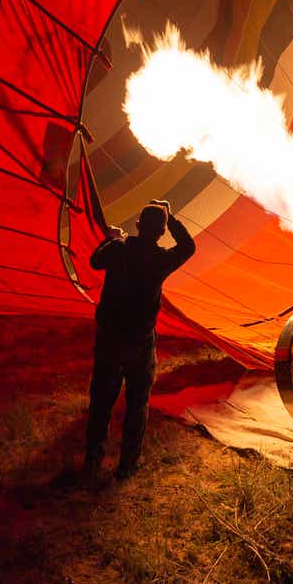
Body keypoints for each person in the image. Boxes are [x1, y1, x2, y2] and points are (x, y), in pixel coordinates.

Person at [82, 199, 195, 483]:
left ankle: (92, 461)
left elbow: (94, 261)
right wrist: (171, 217)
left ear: (137, 225)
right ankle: (127, 465)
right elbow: (189, 247)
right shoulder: (161, 259)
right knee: (137, 401)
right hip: (140, 341)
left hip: (110, 337)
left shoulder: (118, 249)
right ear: (160, 232)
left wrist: (110, 238)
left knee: (101, 401)